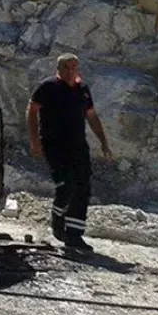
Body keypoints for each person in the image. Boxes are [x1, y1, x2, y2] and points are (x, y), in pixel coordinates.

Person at [26, 53, 114, 254]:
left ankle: (74, 235)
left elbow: (91, 117)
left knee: (82, 186)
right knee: (66, 185)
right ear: (59, 69)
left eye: (74, 67)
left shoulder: (83, 90)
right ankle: (58, 220)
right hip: (54, 145)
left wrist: (104, 143)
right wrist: (34, 142)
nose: (71, 71)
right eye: (67, 67)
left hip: (78, 146)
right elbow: (31, 111)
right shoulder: (47, 87)